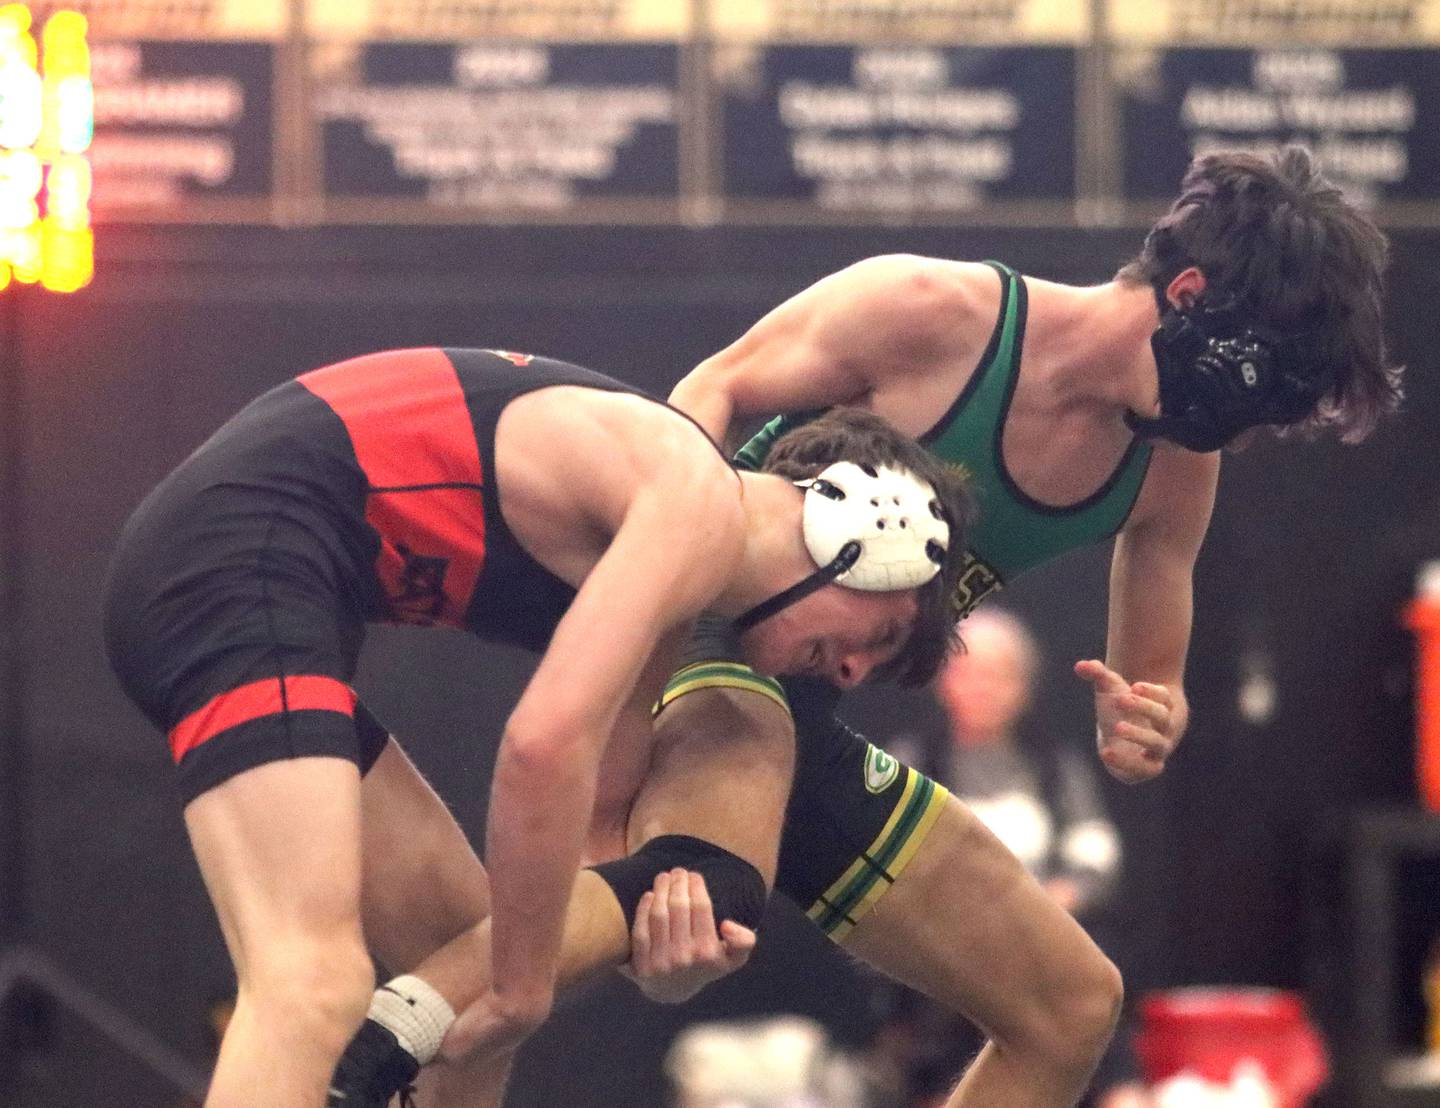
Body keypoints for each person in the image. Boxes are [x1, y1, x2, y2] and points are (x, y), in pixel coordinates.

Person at [331, 145, 1402, 1108]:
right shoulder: (935, 314)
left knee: (1071, 1005)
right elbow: (711, 392)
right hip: (723, 630)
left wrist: (1152, 704)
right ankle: (373, 1045)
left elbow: (1158, 574)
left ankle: (424, 1012)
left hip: (807, 703)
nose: (1255, 430)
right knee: (705, 860)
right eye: (1267, 392)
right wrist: (642, 637)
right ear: (1189, 293)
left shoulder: (1176, 460)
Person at [102, 345, 974, 1108]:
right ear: (872, 531)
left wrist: (666, 964)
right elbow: (542, 747)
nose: (855, 673)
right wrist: (522, 985)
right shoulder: (695, 501)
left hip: (247, 569)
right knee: (312, 981)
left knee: (462, 952)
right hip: (234, 558)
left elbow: (593, 858)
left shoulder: (677, 587)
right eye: (884, 634)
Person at [875, 607, 1137, 1107]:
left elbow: (1098, 858)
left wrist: (1055, 900)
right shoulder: (910, 764)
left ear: (1023, 687)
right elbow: (892, 870)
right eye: (970, 673)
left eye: (999, 676)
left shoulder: (1057, 770)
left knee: (1092, 974)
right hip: (947, 952)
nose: (983, 688)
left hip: (1045, 935)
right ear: (943, 680)